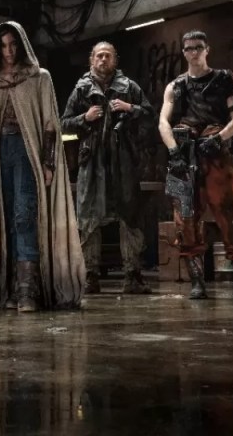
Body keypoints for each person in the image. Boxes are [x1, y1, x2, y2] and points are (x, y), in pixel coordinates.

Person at [0, 21, 84, 311]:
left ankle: (27, 290)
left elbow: (50, 123)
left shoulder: (39, 78)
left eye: (13, 44)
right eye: (3, 46)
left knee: (24, 214)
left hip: (25, 151)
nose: (8, 51)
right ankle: (6, 288)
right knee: (2, 216)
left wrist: (48, 162)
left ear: (21, 45)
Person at [158, 30, 233, 301]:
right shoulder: (175, 86)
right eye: (189, 48)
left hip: (214, 154)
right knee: (184, 219)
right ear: (183, 52)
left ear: (207, 49)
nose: (194, 52)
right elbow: (163, 122)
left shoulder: (223, 80)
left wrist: (218, 138)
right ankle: (197, 283)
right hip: (183, 155)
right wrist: (174, 151)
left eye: (198, 47)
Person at [61, 42, 154, 295]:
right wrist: (85, 118)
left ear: (115, 60)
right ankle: (90, 275)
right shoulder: (81, 89)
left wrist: (130, 108)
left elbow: (150, 116)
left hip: (123, 162)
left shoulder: (129, 87)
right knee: (88, 218)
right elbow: (63, 124)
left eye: (108, 56)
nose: (103, 60)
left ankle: (132, 275)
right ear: (92, 60)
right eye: (99, 56)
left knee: (130, 216)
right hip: (92, 163)